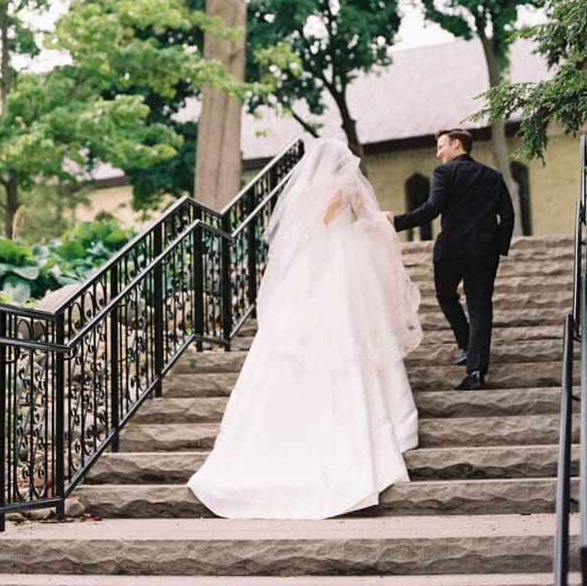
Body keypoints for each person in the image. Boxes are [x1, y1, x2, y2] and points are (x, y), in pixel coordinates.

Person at [188, 137, 422, 519]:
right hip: (343, 264)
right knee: (352, 334)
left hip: (308, 270)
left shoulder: (301, 191)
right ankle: (385, 422)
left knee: (296, 344)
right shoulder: (345, 186)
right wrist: (385, 220)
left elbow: (299, 232)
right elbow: (365, 221)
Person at [384, 128, 514, 391]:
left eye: (441, 147)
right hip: (484, 253)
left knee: (446, 296)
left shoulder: (444, 173)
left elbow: (432, 209)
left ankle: (468, 348)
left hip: (451, 250)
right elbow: (508, 216)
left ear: (457, 144)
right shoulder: (493, 176)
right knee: (480, 308)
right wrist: (497, 247)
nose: (438, 153)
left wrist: (396, 222)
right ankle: (475, 368)